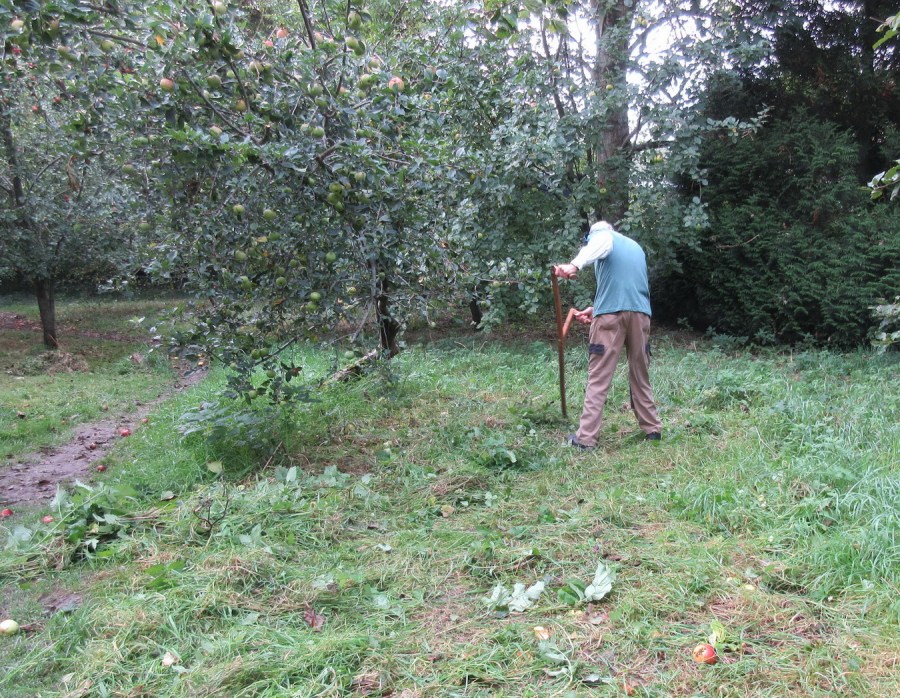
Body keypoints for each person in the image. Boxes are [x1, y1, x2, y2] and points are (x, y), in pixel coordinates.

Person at [553, 220, 662, 449]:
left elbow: (600, 242)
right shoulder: (635, 247)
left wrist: (574, 265)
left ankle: (585, 439)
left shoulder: (603, 236)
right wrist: (596, 309)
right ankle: (652, 429)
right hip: (640, 315)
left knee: (599, 376)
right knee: (640, 373)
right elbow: (625, 289)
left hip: (611, 318)